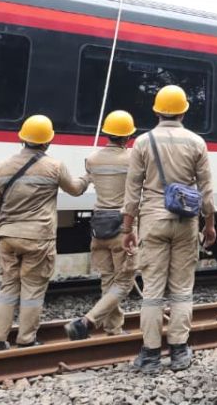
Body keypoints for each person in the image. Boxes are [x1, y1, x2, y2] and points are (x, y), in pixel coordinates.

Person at [121, 85, 216, 374]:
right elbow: (207, 190)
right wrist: (209, 224)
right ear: (184, 111)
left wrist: (128, 228)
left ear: (157, 110)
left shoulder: (142, 142)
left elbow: (132, 190)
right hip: (186, 222)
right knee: (181, 290)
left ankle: (150, 355)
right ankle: (179, 352)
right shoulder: (197, 142)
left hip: (151, 220)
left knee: (152, 291)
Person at [0, 115, 88, 350]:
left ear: (22, 138)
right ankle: (26, 339)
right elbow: (75, 190)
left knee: (8, 287)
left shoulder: (0, 168)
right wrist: (87, 177)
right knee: (32, 288)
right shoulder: (54, 167)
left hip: (7, 236)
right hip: (38, 238)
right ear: (47, 142)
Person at [65, 110, 138, 341]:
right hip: (121, 226)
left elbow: (77, 188)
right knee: (124, 282)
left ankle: (113, 328)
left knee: (108, 279)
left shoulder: (93, 159)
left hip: (98, 227)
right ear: (127, 137)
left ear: (107, 133)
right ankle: (87, 321)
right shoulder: (133, 159)